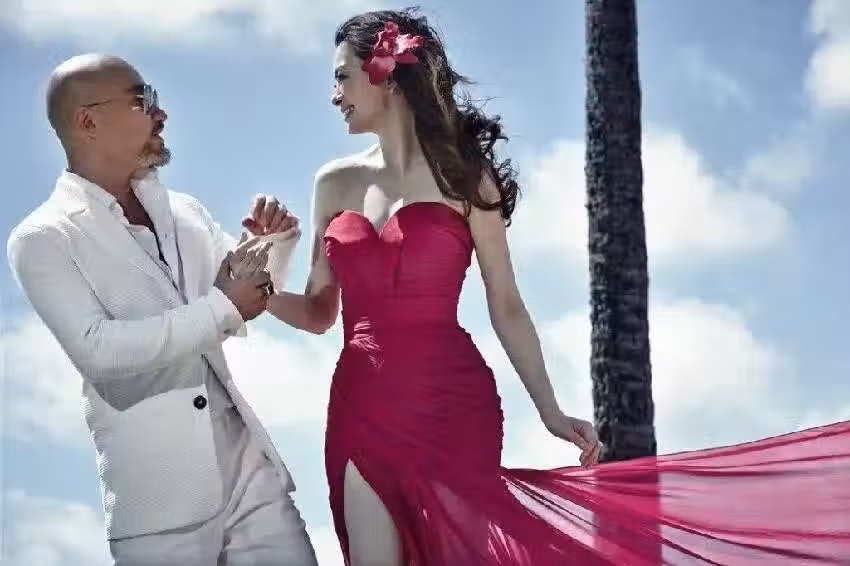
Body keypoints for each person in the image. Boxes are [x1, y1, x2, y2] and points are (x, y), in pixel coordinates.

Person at [264, 8, 850, 566]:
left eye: (342, 77)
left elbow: (507, 305)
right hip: (362, 404)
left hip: (450, 404)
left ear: (385, 75)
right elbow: (319, 311)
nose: (334, 95)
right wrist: (255, 290)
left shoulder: (467, 178)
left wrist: (549, 409)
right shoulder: (333, 184)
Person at [6, 54, 318, 566]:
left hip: (251, 477)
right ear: (87, 121)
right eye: (142, 99)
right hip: (160, 502)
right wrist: (224, 304)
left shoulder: (185, 210)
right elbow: (98, 351)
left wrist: (273, 245)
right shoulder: (42, 237)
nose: (161, 112)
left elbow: (249, 295)